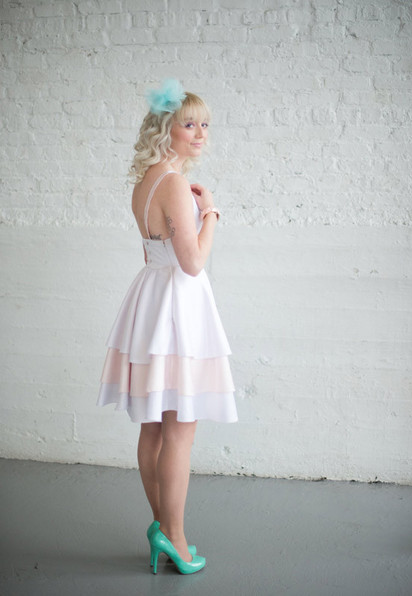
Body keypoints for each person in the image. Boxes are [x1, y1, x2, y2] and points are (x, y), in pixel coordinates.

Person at [97, 79, 238, 575]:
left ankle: (163, 526)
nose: (200, 133)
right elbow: (193, 263)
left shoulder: (146, 182)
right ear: (166, 128)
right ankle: (174, 537)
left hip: (152, 301)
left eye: (205, 125)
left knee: (155, 427)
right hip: (178, 306)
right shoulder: (175, 184)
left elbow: (151, 254)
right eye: (189, 124)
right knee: (179, 430)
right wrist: (211, 212)